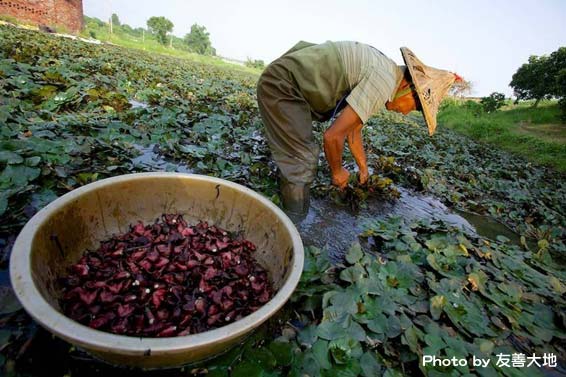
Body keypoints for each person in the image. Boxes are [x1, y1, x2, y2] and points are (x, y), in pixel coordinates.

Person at [256, 41, 461, 217]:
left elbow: (353, 130)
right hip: (283, 86)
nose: (407, 113)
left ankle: (289, 193)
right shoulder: (383, 82)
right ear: (410, 89)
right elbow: (332, 136)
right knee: (303, 160)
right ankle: (296, 222)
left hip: (294, 87)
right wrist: (337, 171)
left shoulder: (386, 73)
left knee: (298, 154)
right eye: (415, 108)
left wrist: (363, 167)